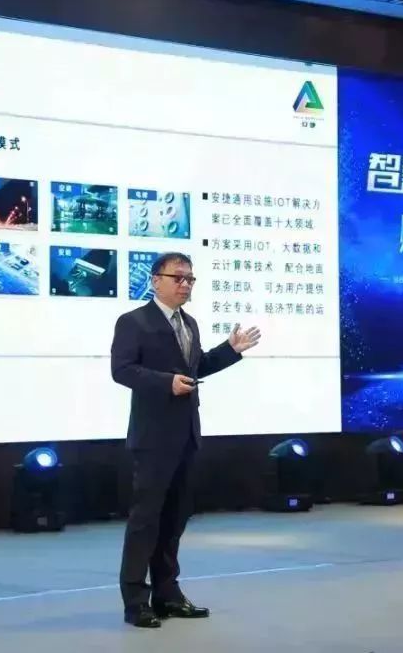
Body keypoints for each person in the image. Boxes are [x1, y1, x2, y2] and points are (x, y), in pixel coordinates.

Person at [110, 252, 260, 628]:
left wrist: (230, 351)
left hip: (187, 434)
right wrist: (166, 383)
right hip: (152, 437)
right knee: (146, 520)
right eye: (177, 277)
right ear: (155, 280)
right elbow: (122, 370)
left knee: (175, 519)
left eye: (190, 279)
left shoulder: (189, 323)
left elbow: (195, 367)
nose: (185, 285)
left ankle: (167, 594)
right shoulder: (134, 321)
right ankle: (135, 601)